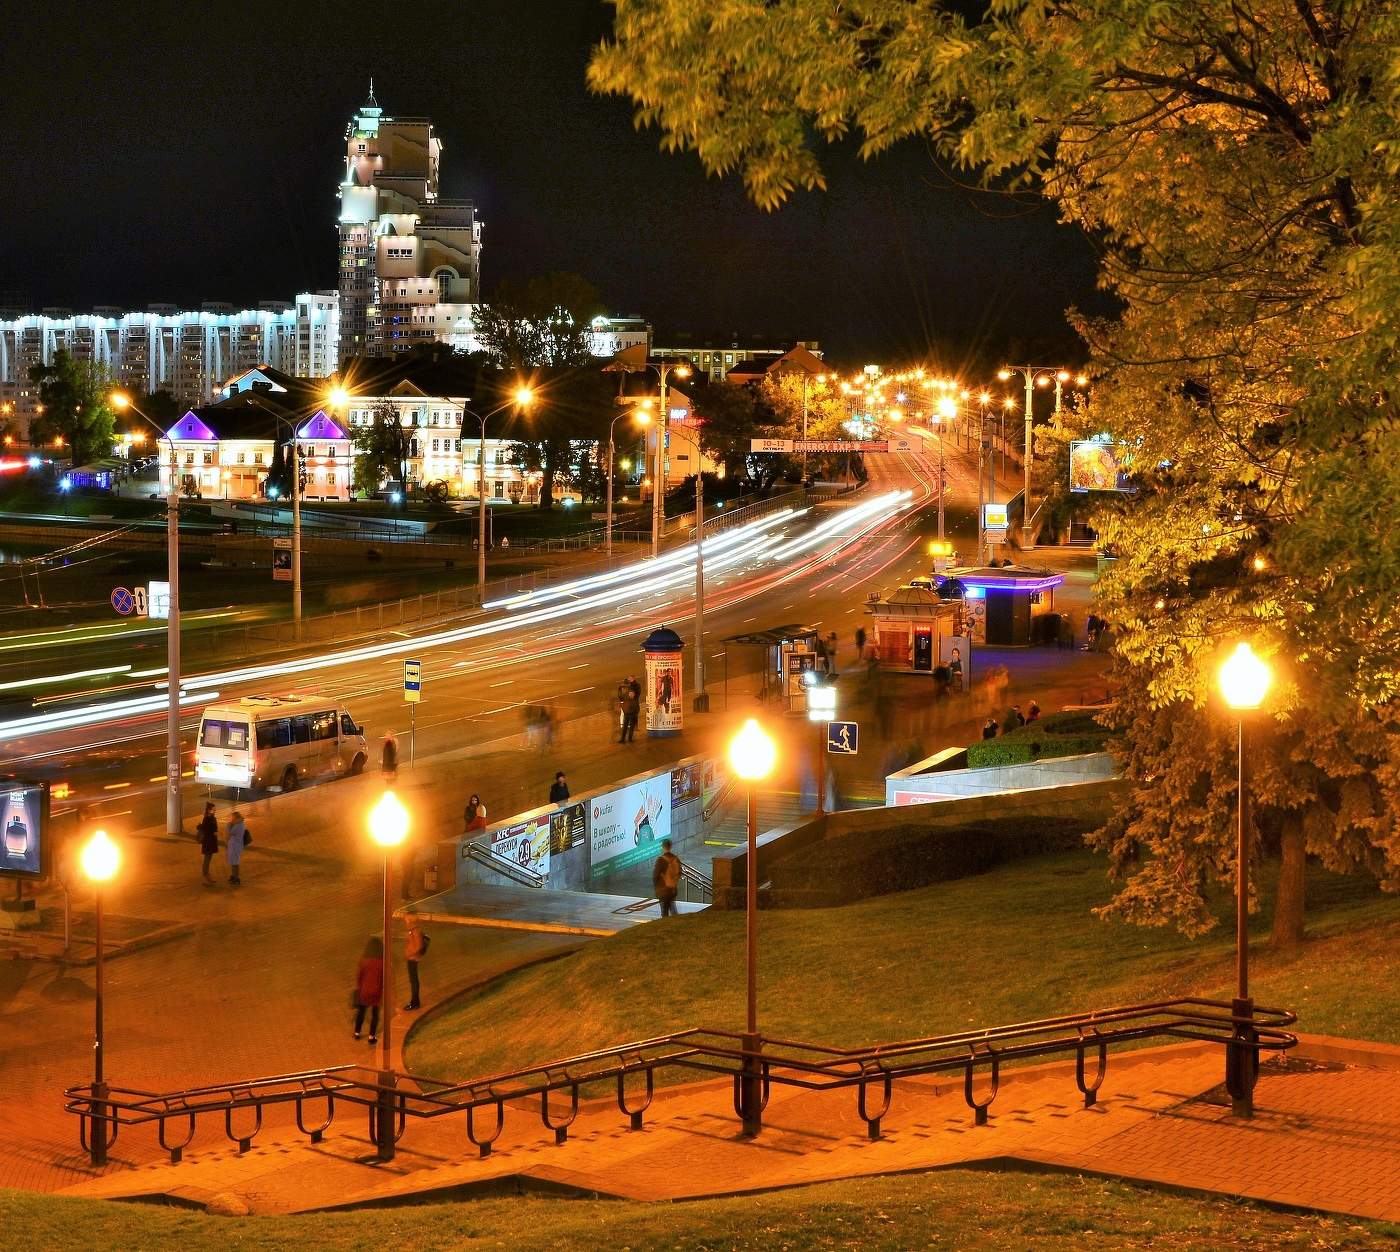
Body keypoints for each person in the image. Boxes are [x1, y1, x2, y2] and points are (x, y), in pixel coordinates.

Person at [353, 936, 384, 1042]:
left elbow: (359, 976)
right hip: (376, 991)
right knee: (375, 1014)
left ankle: (357, 1032)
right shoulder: (381, 963)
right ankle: (371, 1036)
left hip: (364, 991)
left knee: (361, 1012)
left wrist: (359, 988)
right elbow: (383, 978)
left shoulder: (364, 961)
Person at [653, 838, 682, 918]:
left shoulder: (661, 860)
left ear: (663, 847)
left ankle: (667, 927)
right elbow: (679, 872)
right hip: (673, 888)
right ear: (670, 847)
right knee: (673, 908)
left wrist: (657, 888)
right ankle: (676, 924)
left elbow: (655, 876)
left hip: (663, 889)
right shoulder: (676, 859)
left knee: (664, 911)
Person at [404, 916, 427, 1011]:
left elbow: (418, 946)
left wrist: (409, 953)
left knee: (414, 981)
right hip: (411, 958)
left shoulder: (415, 931)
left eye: (406, 921)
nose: (405, 923)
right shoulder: (412, 930)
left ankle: (415, 1002)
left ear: (410, 921)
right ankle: (414, 1001)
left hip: (413, 958)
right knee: (413, 981)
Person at [197, 802, 219, 884]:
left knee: (208, 858)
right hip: (208, 841)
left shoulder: (211, 817)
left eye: (215, 809)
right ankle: (206, 874)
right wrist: (214, 832)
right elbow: (206, 829)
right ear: (209, 810)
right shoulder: (207, 818)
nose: (215, 810)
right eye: (213, 809)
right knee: (207, 858)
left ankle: (206, 873)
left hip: (211, 841)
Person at [225, 811, 247, 886]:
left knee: (235, 863)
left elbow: (229, 832)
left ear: (236, 817)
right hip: (235, 845)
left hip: (235, 846)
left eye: (233, 817)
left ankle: (236, 878)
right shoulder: (240, 824)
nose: (232, 819)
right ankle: (233, 875)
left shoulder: (238, 825)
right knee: (233, 862)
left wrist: (228, 824)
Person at [620, 675, 641, 743]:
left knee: (631, 726)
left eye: (632, 694)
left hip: (632, 713)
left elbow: (636, 708)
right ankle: (623, 739)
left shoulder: (636, 687)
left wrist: (635, 712)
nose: (631, 694)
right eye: (630, 693)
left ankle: (629, 739)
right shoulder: (627, 698)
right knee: (625, 726)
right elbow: (622, 698)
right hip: (627, 712)